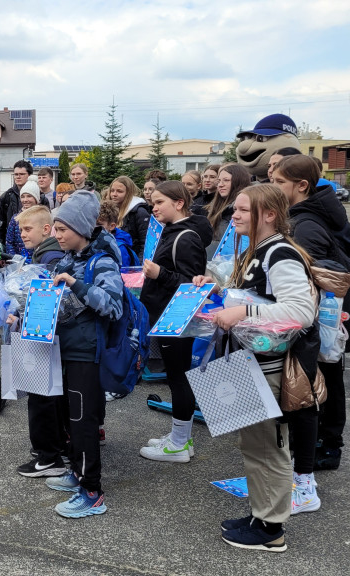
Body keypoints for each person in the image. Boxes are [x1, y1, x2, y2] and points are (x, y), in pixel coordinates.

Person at [193, 184, 316, 552]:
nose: (235, 215)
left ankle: (271, 530)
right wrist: (217, 289)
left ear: (269, 214)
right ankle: (262, 514)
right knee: (255, 445)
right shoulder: (257, 251)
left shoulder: (279, 254)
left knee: (269, 446)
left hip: (269, 367)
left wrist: (242, 312)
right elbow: (254, 295)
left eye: (244, 209)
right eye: (236, 209)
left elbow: (300, 312)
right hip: (251, 363)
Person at [273, 154, 350, 507]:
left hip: (316, 322)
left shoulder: (305, 225)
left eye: (279, 183)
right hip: (318, 321)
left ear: (301, 186)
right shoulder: (308, 217)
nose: (273, 188)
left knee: (317, 387)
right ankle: (322, 446)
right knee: (321, 382)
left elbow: (312, 280)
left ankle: (323, 451)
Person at [41, 192, 124, 519]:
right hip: (65, 348)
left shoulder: (101, 260)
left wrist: (76, 284)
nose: (56, 235)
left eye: (62, 229)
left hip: (87, 352)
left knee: (83, 420)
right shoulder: (67, 258)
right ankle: (76, 471)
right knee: (69, 417)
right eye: (56, 229)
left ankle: (92, 490)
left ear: (81, 228)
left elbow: (113, 306)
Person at [137, 181, 212, 462]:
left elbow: (192, 286)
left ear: (179, 203)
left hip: (177, 320)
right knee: (176, 378)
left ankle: (179, 444)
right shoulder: (173, 232)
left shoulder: (186, 237)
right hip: (167, 318)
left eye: (159, 202)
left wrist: (159, 274)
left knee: (179, 380)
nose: (153, 208)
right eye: (153, 203)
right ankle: (181, 436)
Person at [6, 205, 69, 477]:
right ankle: (55, 447)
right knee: (50, 394)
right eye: (20, 229)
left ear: (46, 229)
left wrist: (21, 311)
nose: (22, 234)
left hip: (44, 336)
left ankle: (48, 458)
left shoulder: (50, 257)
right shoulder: (45, 253)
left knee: (41, 394)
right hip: (49, 334)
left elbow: (50, 299)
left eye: (27, 228)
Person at [106, 176, 151, 258]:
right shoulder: (111, 210)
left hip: (133, 263)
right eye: (112, 191)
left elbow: (145, 243)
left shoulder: (139, 212)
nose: (114, 194)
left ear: (128, 193)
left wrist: (139, 267)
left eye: (119, 191)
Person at [207, 163, 252, 242]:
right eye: (219, 181)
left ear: (239, 181)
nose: (220, 185)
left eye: (226, 180)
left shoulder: (250, 207)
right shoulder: (216, 207)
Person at [0, 160, 33, 245]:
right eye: (16, 174)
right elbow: (0, 226)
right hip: (11, 244)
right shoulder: (5, 197)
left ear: (29, 175)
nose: (18, 177)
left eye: (22, 174)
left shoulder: (40, 197)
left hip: (33, 243)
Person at [5, 177, 41, 259]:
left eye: (29, 196)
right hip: (18, 262)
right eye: (23, 196)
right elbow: (9, 242)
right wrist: (15, 259)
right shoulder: (16, 218)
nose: (25, 200)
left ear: (36, 199)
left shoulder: (42, 217)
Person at [96, 199, 138, 268]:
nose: (94, 227)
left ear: (112, 226)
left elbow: (122, 274)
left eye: (99, 224)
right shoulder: (96, 239)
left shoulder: (120, 249)